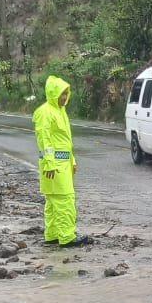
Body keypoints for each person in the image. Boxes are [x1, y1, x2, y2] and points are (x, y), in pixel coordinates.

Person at [33, 74, 91, 247]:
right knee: (65, 199)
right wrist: (50, 163)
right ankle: (67, 237)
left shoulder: (60, 111)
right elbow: (44, 140)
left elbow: (64, 142)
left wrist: (72, 160)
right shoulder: (45, 112)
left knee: (53, 202)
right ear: (53, 93)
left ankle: (52, 235)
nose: (64, 97)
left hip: (61, 164)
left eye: (66, 93)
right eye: (61, 93)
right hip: (54, 166)